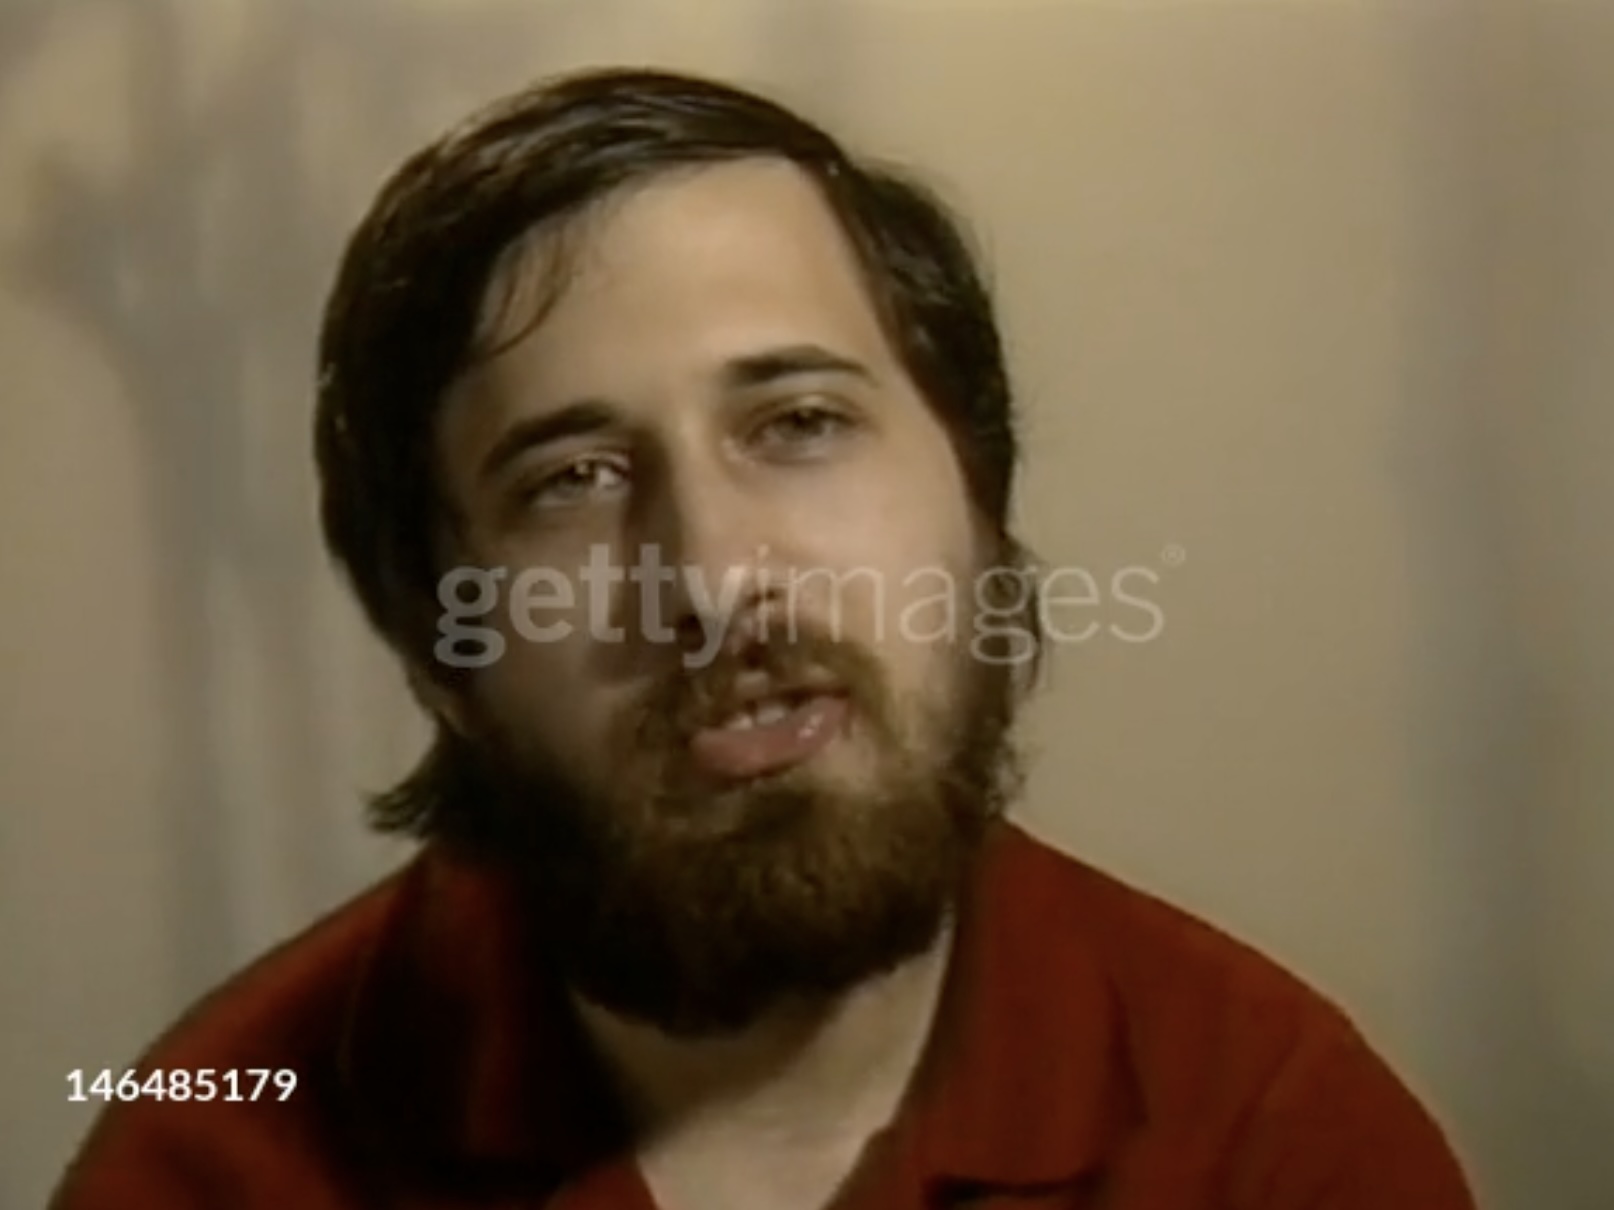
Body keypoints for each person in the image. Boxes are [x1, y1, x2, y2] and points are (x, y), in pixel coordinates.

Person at [50, 66, 1479, 1210]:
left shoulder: (1270, 1139)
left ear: (978, 511)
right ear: (441, 644)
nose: (718, 576)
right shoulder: (218, 1153)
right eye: (571, 478)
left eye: (798, 423)